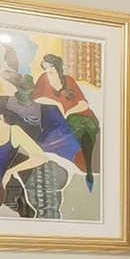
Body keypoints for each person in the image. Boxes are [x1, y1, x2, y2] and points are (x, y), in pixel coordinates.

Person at [27, 52, 98, 183]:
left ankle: (85, 167)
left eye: (50, 66)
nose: (47, 69)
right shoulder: (43, 78)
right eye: (45, 66)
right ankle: (74, 161)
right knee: (55, 118)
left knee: (84, 129)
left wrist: (69, 112)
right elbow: (36, 98)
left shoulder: (69, 80)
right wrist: (57, 103)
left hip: (78, 115)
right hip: (55, 116)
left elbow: (83, 103)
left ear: (57, 67)